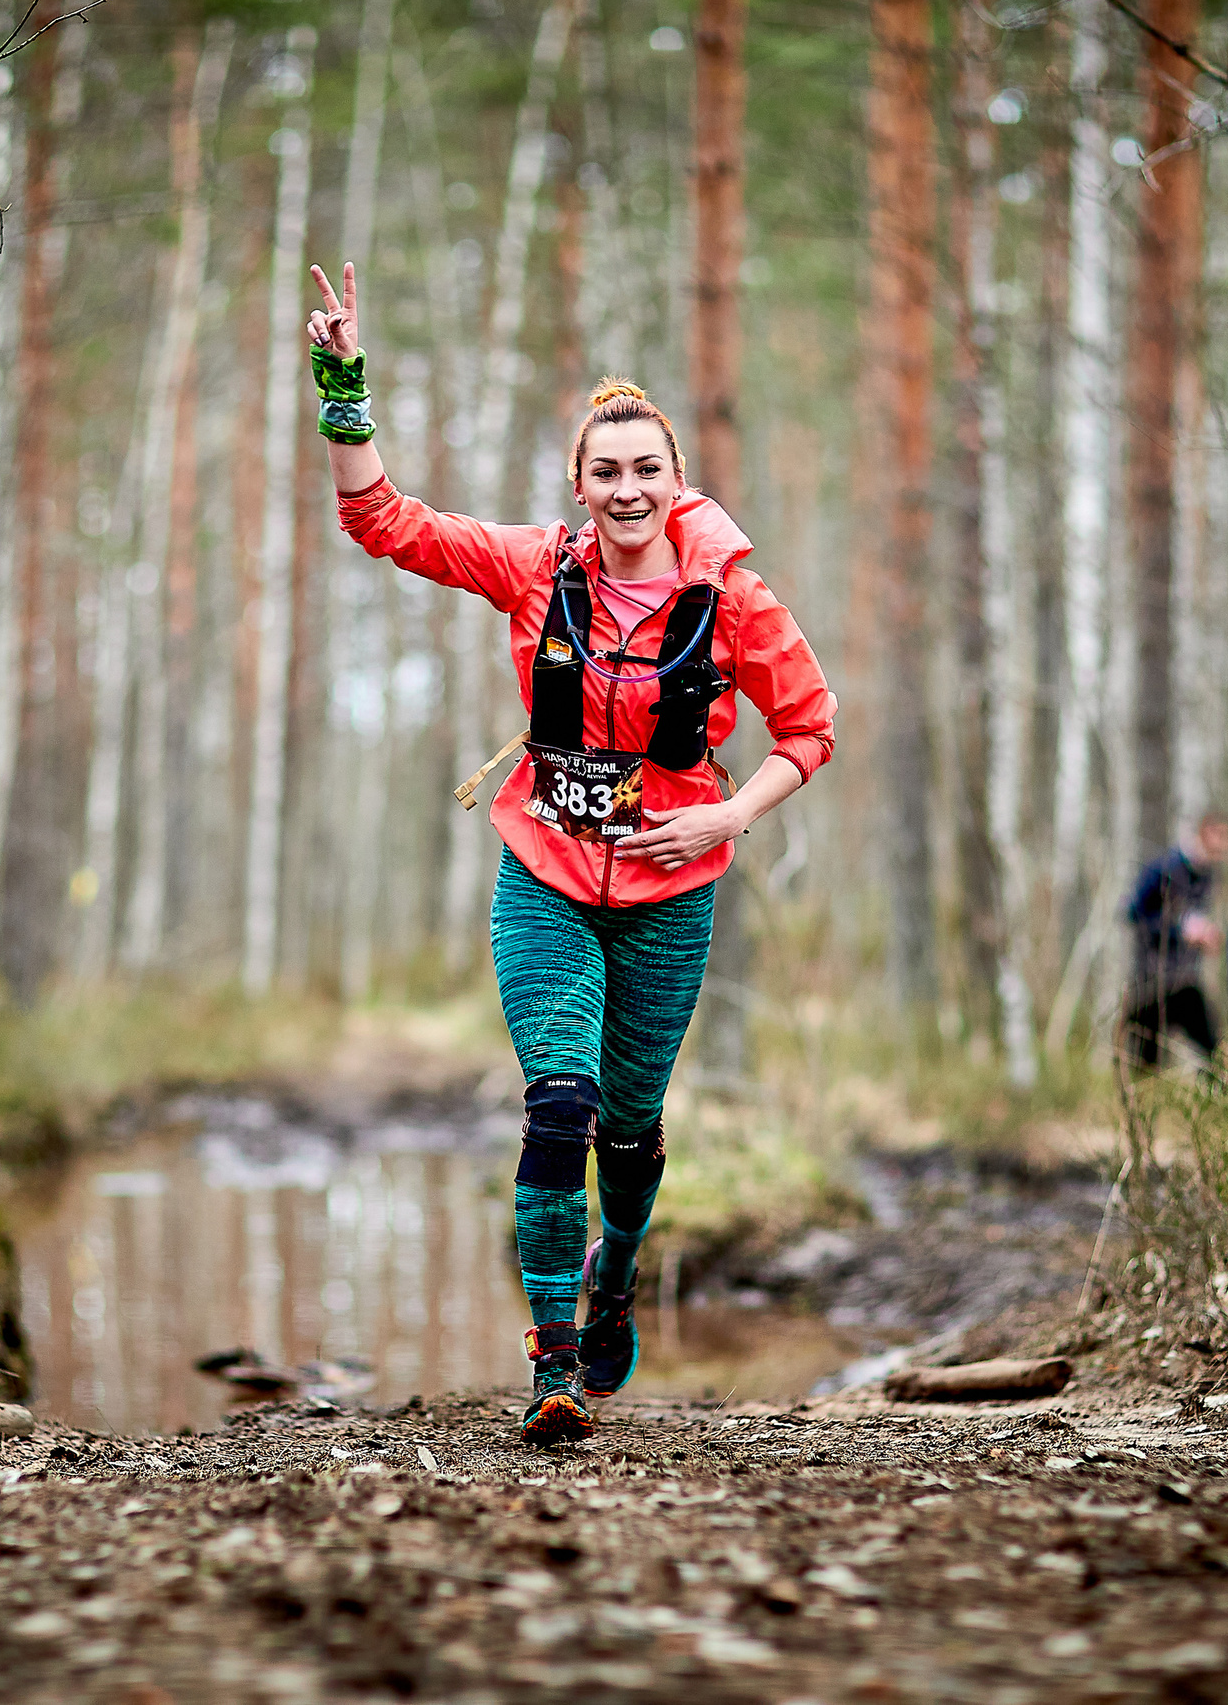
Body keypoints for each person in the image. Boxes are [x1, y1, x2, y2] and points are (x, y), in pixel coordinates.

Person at [305, 262, 837, 1444]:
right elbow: (380, 521)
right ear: (578, 486)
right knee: (559, 1107)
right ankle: (550, 1366)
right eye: (608, 471)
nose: (629, 488)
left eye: (649, 469)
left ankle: (618, 1267)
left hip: (672, 894)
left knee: (631, 1130)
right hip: (543, 875)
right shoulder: (534, 569)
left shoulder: (735, 604)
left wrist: (726, 815)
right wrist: (343, 381)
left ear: (677, 481)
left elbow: (809, 731)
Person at [1122, 813, 1228, 1076]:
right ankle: (1139, 1115)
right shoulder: (1163, 869)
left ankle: (1214, 1111)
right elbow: (1133, 914)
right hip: (1153, 983)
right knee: (1147, 1063)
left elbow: (1192, 920)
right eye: (1221, 837)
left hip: (1185, 982)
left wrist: (1206, 936)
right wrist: (1178, 931)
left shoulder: (1206, 878)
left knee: (1212, 1053)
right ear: (1205, 834)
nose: (1225, 847)